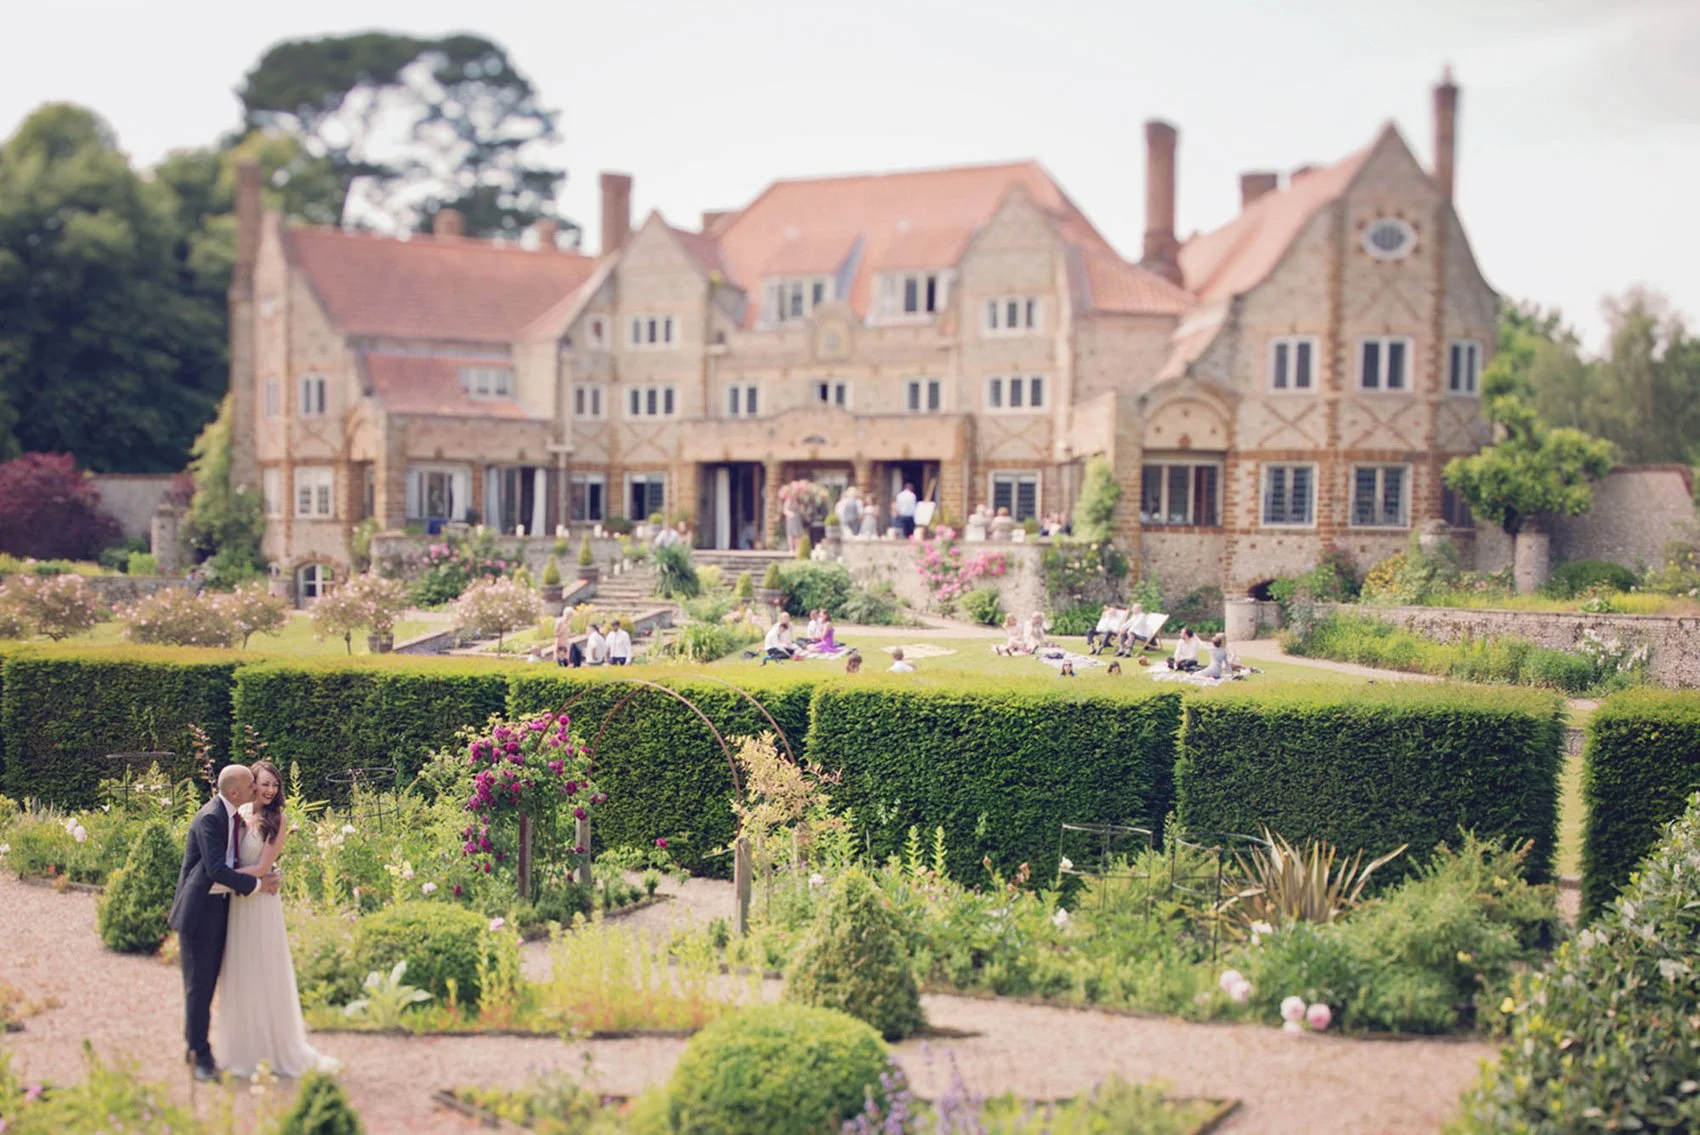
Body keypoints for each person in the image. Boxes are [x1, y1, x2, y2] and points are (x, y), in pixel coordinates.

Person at [217, 761, 335, 1078]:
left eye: (275, 785)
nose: (270, 790)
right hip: (239, 905)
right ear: (252, 784)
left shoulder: (278, 819)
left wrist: (217, 880)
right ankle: (243, 1048)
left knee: (266, 972)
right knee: (241, 972)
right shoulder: (238, 816)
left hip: (261, 902)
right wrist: (223, 880)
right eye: (264, 784)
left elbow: (261, 867)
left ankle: (274, 1049)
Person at [167, 764, 278, 1081]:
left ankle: (201, 1047)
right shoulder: (211, 817)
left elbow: (236, 861)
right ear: (234, 792)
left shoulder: (232, 815)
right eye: (250, 785)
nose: (256, 788)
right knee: (198, 988)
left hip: (220, 908)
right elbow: (216, 869)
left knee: (211, 984)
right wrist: (258, 887)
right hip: (200, 913)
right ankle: (198, 1056)